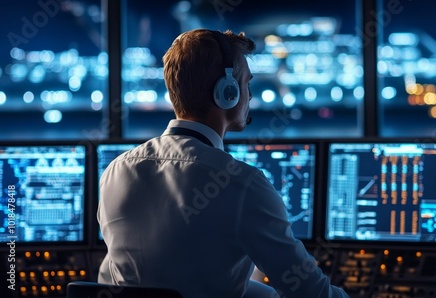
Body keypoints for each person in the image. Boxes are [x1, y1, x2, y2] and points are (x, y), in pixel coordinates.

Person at [97, 28, 349, 298]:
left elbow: (113, 279)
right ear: (226, 92)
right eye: (246, 84)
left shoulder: (115, 171)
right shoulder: (242, 183)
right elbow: (309, 291)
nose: (249, 96)